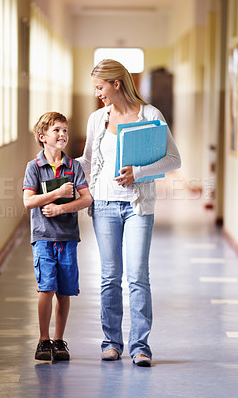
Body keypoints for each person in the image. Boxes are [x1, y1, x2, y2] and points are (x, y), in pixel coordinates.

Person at [77, 59, 181, 367]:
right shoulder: (98, 118)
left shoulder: (150, 115)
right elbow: (87, 161)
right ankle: (111, 343)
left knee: (137, 276)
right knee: (110, 276)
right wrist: (54, 167)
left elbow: (173, 160)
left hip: (138, 207)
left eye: (100, 87)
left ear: (117, 83)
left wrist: (139, 172)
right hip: (105, 204)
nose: (98, 94)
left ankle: (140, 347)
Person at [23, 111, 93, 361]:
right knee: (46, 288)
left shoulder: (73, 166)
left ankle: (59, 340)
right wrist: (57, 193)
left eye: (65, 130)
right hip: (43, 236)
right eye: (57, 131)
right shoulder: (35, 167)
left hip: (68, 237)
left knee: (64, 291)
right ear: (42, 137)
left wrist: (62, 207)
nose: (63, 134)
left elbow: (86, 198)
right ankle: (43, 340)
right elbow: (28, 201)